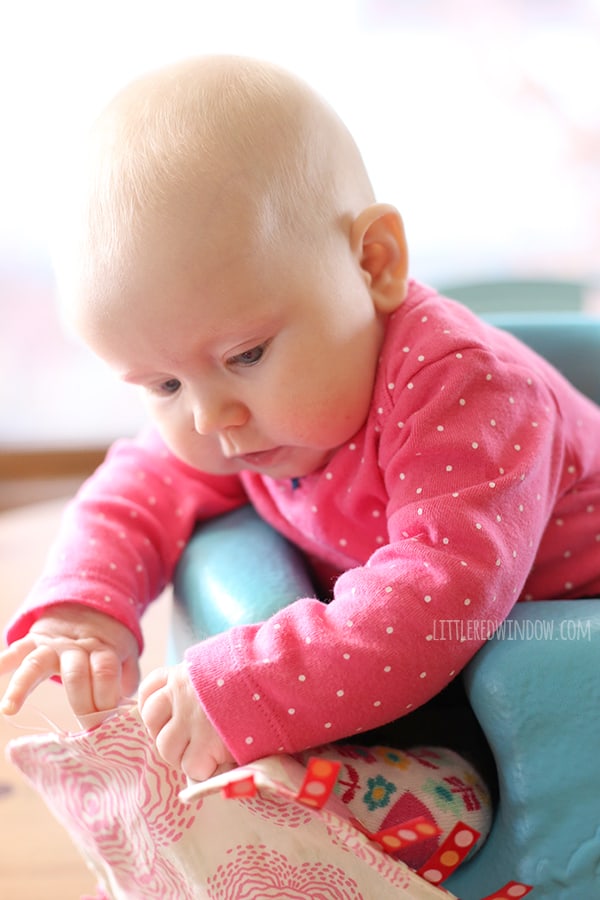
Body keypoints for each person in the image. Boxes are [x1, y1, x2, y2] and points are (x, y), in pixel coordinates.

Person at [2, 54, 600, 852]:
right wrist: (82, 609)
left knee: (478, 756)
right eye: (163, 385)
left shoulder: (469, 392)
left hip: (550, 645)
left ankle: (418, 808)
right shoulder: (245, 411)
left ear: (373, 264)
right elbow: (136, 489)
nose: (211, 416)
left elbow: (434, 604)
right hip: (435, 666)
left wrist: (244, 687)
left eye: (246, 354)